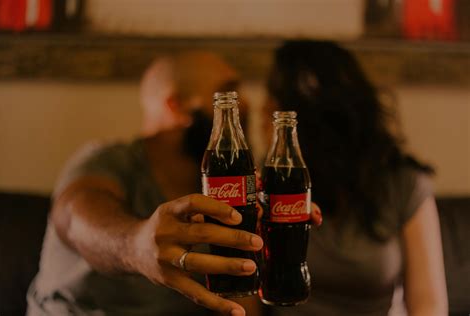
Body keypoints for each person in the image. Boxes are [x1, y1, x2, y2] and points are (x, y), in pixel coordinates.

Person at [27, 51, 265, 316]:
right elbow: (74, 219)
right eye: (227, 93)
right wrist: (136, 246)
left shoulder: (223, 186)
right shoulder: (107, 160)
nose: (245, 104)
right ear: (176, 106)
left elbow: (241, 303)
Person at [264, 41, 448, 316]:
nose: (263, 108)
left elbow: (429, 306)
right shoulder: (269, 186)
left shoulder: (404, 183)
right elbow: (244, 303)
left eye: (275, 99)